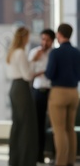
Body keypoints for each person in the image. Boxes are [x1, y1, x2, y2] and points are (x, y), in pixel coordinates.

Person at [45, 23, 80, 166]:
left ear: (59, 34)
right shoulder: (77, 52)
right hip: (74, 92)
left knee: (59, 130)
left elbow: (49, 73)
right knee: (70, 128)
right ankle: (71, 160)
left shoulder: (55, 52)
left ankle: (61, 162)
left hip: (59, 92)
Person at [6, 27, 39, 166]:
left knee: (18, 124)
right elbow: (27, 75)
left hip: (14, 87)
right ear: (24, 37)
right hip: (22, 89)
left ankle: (16, 159)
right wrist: (35, 65)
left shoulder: (12, 52)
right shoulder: (21, 53)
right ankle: (25, 160)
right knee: (26, 126)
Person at [28, 29, 55, 163]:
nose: (44, 42)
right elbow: (28, 74)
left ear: (52, 41)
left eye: (47, 40)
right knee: (38, 124)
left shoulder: (55, 54)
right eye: (43, 39)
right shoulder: (34, 53)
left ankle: (53, 153)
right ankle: (38, 155)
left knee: (54, 124)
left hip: (52, 92)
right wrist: (34, 60)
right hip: (38, 91)